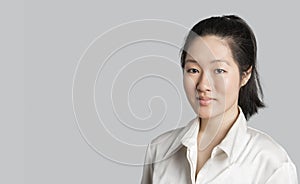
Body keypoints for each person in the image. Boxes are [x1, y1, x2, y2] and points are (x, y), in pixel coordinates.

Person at [141, 15, 298, 184]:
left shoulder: (271, 165)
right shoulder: (160, 150)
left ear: (245, 75)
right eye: (193, 70)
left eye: (219, 70)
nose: (203, 85)